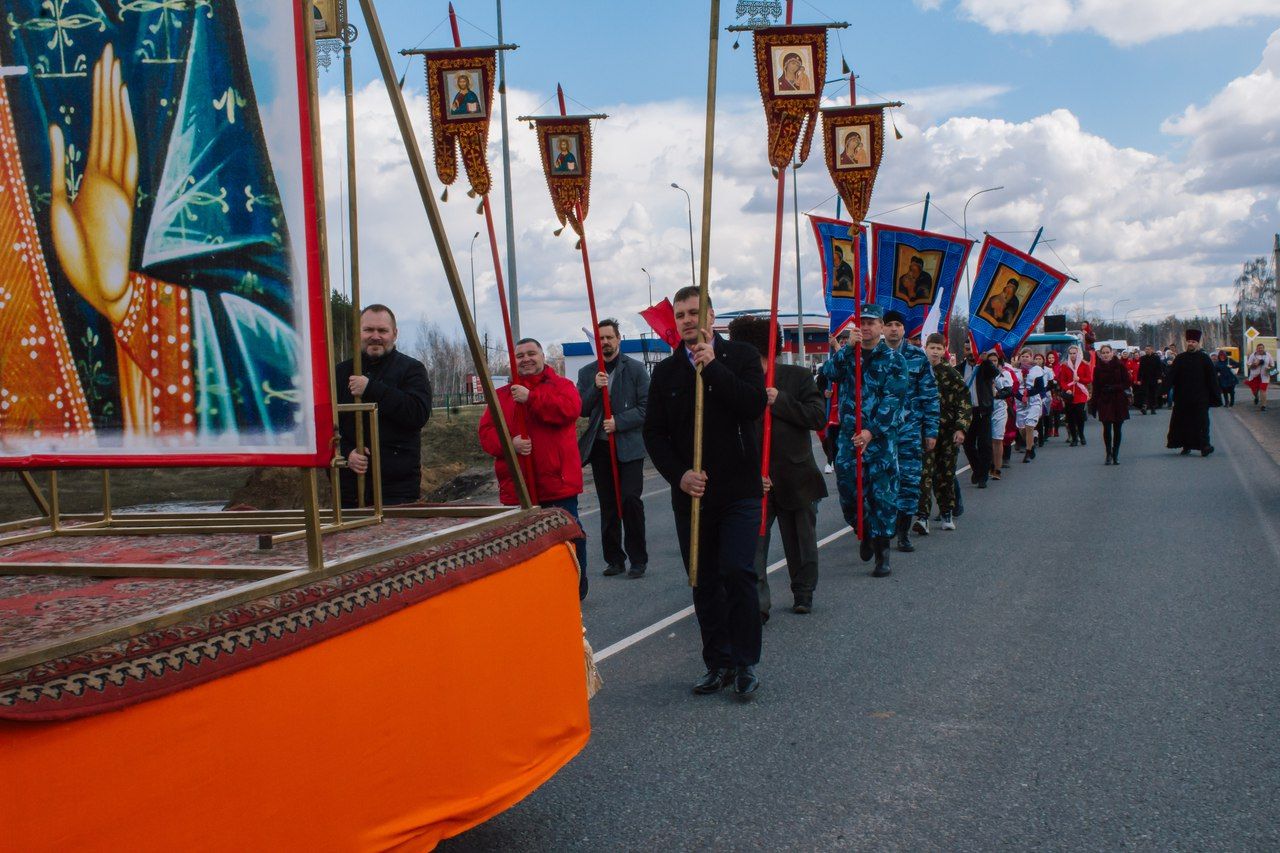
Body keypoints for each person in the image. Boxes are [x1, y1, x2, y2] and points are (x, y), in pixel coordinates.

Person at [643, 287, 767, 698]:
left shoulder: (742, 357)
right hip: (693, 497)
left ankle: (746, 661)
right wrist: (679, 475)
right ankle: (719, 662)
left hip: (738, 490)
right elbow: (655, 435)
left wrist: (713, 368)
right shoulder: (664, 374)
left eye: (695, 312)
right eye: (680, 314)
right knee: (703, 580)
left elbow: (752, 406)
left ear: (712, 316)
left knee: (737, 570)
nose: (687, 320)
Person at [728, 317, 827, 617]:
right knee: (754, 544)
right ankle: (758, 604)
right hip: (756, 479)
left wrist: (779, 400)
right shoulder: (738, 383)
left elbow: (817, 416)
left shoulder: (797, 377)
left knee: (802, 541)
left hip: (796, 474)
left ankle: (803, 592)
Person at [478, 337, 588, 598]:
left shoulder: (563, 386)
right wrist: (510, 444)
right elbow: (486, 433)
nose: (526, 359)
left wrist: (532, 398)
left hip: (557, 484)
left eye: (531, 353)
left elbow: (569, 410)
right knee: (521, 544)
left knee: (568, 536)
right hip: (517, 486)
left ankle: (575, 586)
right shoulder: (502, 396)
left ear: (542, 357)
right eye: (520, 355)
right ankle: (532, 592)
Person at [821, 304, 909, 577]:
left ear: (882, 327)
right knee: (848, 493)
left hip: (880, 440)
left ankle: (883, 554)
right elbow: (828, 373)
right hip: (849, 440)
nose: (867, 327)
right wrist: (847, 349)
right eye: (862, 323)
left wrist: (871, 431)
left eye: (872, 322)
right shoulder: (848, 355)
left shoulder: (895, 360)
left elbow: (893, 400)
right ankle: (864, 530)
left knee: (883, 496)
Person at [336, 305, 433, 508]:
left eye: (382, 331)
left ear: (394, 334)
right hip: (349, 488)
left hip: (397, 489)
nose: (375, 336)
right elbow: (327, 425)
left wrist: (371, 389)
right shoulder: (340, 372)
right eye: (369, 330)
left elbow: (417, 414)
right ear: (358, 333)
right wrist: (346, 454)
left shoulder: (412, 369)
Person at [577, 319, 650, 579]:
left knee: (630, 501)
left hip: (629, 447)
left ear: (619, 339)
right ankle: (614, 559)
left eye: (609, 337)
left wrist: (619, 422)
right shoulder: (588, 373)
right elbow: (581, 409)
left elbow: (646, 407)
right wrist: (596, 389)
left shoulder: (636, 369)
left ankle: (638, 560)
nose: (605, 342)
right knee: (608, 504)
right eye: (600, 339)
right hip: (600, 449)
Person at [882, 310, 939, 553]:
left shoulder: (917, 357)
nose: (894, 329)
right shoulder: (874, 356)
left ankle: (903, 532)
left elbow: (930, 395)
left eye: (898, 325)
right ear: (882, 329)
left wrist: (931, 431)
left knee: (909, 481)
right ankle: (883, 529)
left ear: (904, 330)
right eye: (889, 325)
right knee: (882, 482)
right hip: (880, 433)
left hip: (909, 431)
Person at [914, 334, 969, 533]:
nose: (935, 352)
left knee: (945, 474)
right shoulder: (918, 369)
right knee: (924, 474)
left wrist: (961, 428)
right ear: (925, 348)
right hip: (924, 431)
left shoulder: (950, 373)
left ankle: (947, 512)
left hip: (947, 433)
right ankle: (922, 517)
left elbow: (964, 400)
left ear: (944, 350)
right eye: (932, 347)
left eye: (939, 348)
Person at [1165, 329, 1221, 457]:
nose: (1191, 343)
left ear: (1198, 343)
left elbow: (1212, 379)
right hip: (1182, 397)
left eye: (1193, 341)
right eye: (1189, 341)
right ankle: (1186, 445)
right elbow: (1171, 376)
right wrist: (1163, 390)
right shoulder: (1180, 358)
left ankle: (1205, 446)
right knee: (1184, 422)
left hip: (1201, 397)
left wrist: (1216, 396)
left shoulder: (1205, 359)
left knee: (1202, 422)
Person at [961, 344, 998, 489]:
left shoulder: (985, 368)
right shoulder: (959, 369)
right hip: (966, 412)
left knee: (985, 444)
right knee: (968, 444)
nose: (970, 352)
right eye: (967, 349)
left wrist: (986, 360)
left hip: (983, 411)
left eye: (972, 348)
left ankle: (983, 476)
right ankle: (977, 469)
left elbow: (994, 373)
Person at [1090, 344, 1131, 465]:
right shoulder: (1097, 368)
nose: (1106, 355)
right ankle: (1108, 453)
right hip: (1104, 400)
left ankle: (1116, 453)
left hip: (1118, 399)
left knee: (1117, 429)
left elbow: (1127, 382)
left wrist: (1115, 387)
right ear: (1100, 354)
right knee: (1106, 428)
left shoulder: (1120, 366)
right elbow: (1096, 387)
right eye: (1103, 353)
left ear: (1112, 353)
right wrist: (1093, 405)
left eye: (1108, 352)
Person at [1013, 348, 1047, 464]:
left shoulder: (1037, 370)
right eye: (1023, 356)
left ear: (1031, 358)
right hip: (1020, 401)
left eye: (1027, 356)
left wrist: (1028, 394)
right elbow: (1013, 388)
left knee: (1029, 425)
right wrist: (1020, 396)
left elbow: (1040, 388)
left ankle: (1027, 452)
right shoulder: (1015, 370)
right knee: (1022, 428)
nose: (1025, 358)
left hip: (1033, 400)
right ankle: (1031, 445)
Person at [1056, 344, 1093, 447]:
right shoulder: (1065, 365)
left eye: (1074, 353)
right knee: (1070, 417)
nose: (1072, 355)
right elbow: (1062, 380)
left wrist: (1079, 379)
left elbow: (1089, 379)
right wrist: (1067, 389)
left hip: (1080, 394)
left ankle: (1081, 435)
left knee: (1080, 416)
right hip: (1069, 395)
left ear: (1078, 353)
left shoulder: (1084, 365)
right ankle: (1074, 438)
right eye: (1070, 353)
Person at [990, 351, 1014, 480]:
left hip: (999, 408)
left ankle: (997, 469)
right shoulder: (982, 374)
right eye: (990, 360)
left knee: (998, 439)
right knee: (987, 440)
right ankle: (990, 464)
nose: (993, 363)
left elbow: (1009, 391)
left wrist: (997, 394)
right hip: (986, 409)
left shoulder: (1005, 374)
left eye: (995, 360)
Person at [1246, 343, 1276, 411]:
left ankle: (1263, 406)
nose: (1260, 349)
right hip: (1255, 376)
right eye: (1259, 348)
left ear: (1263, 348)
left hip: (1265, 376)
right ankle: (1256, 397)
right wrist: (1255, 364)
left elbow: (1272, 364)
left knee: (1263, 390)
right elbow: (1248, 365)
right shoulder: (1253, 355)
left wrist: (1269, 368)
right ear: (1257, 349)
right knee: (1255, 391)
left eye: (1261, 348)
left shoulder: (1268, 355)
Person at [1138, 345, 1164, 413]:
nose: (1147, 350)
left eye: (1148, 349)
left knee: (1153, 393)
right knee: (1145, 393)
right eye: (1146, 349)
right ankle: (1144, 407)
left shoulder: (1156, 358)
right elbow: (1140, 369)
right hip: (1145, 379)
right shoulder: (1142, 358)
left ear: (1152, 350)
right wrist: (1139, 379)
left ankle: (1153, 408)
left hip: (1154, 378)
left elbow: (1159, 369)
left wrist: (1159, 378)